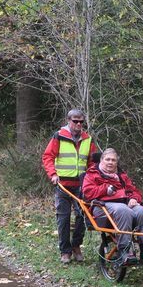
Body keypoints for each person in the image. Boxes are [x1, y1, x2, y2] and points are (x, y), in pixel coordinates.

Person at [82, 148, 143, 265]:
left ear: (116, 163)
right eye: (107, 159)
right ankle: (124, 252)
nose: (110, 162)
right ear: (101, 160)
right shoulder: (92, 173)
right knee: (123, 210)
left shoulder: (121, 175)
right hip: (101, 209)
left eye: (113, 160)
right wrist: (105, 189)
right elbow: (87, 193)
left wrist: (134, 198)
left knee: (141, 211)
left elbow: (135, 191)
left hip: (123, 207)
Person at [42, 109, 98, 264]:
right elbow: (48, 156)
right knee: (63, 218)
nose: (78, 124)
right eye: (75, 121)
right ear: (68, 120)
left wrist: (92, 179)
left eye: (81, 121)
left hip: (81, 186)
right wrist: (53, 174)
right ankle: (65, 251)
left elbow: (92, 163)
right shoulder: (59, 136)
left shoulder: (88, 139)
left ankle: (76, 246)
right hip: (62, 186)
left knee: (83, 216)